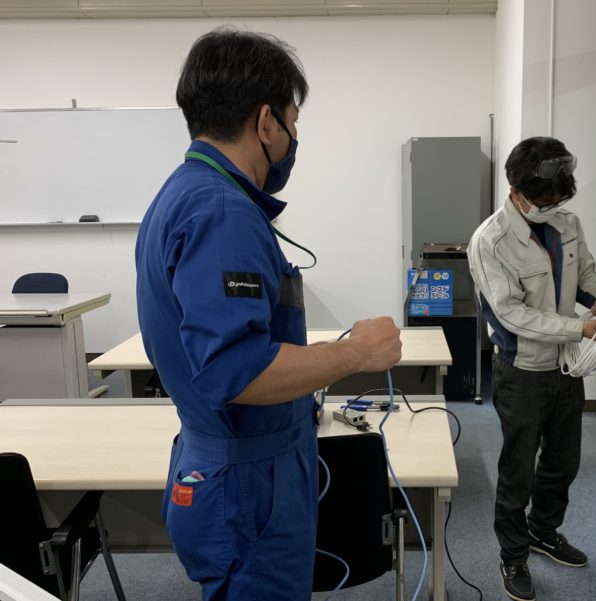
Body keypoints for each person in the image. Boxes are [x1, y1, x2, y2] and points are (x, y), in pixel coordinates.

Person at [135, 27, 402, 601]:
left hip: (225, 463)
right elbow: (238, 372)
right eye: (292, 122)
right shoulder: (221, 212)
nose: (294, 138)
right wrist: (355, 353)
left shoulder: (183, 193)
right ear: (265, 123)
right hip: (247, 485)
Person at [467, 136, 596, 601]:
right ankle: (513, 555)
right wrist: (578, 327)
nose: (551, 208)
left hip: (566, 368)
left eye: (557, 200)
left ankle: (543, 531)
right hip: (523, 370)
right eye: (543, 201)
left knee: (563, 462)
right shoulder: (490, 241)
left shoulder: (567, 223)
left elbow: (584, 273)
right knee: (519, 470)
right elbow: (511, 313)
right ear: (515, 191)